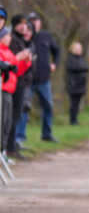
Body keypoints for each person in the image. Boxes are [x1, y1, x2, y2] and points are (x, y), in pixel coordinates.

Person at [21, 12, 60, 142]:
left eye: (35, 20)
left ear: (39, 22)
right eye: (30, 20)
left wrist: (54, 63)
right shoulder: (24, 37)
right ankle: (20, 136)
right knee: (24, 107)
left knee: (48, 107)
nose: (33, 23)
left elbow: (57, 50)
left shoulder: (46, 36)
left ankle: (46, 134)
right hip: (28, 80)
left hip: (44, 79)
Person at [0, 8, 31, 159]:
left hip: (11, 87)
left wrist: (26, 62)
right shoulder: (4, 49)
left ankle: (7, 149)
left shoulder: (9, 49)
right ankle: (6, 149)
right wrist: (17, 58)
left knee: (10, 119)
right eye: (6, 36)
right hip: (5, 88)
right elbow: (7, 65)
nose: (9, 38)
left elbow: (16, 69)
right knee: (5, 120)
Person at [8, 15, 33, 158]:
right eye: (20, 24)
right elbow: (13, 64)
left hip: (22, 81)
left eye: (25, 24)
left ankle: (13, 144)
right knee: (13, 115)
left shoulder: (22, 40)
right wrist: (22, 59)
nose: (24, 27)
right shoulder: (13, 40)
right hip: (15, 82)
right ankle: (10, 146)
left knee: (17, 114)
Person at [65, 42, 89, 125]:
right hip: (74, 84)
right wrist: (82, 68)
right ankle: (72, 120)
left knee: (78, 103)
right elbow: (76, 67)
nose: (79, 51)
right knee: (74, 103)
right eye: (77, 49)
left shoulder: (81, 58)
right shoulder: (70, 59)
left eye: (80, 49)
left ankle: (75, 119)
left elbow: (86, 67)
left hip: (81, 84)